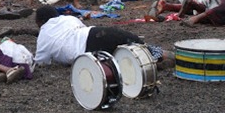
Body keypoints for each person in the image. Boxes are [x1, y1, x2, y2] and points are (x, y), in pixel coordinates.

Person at [34, 5, 171, 68]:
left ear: (40, 22)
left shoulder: (43, 35)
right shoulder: (67, 18)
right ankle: (163, 55)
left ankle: (154, 62)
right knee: (136, 45)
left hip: (88, 51)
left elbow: (41, 62)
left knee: (122, 59)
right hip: (97, 33)